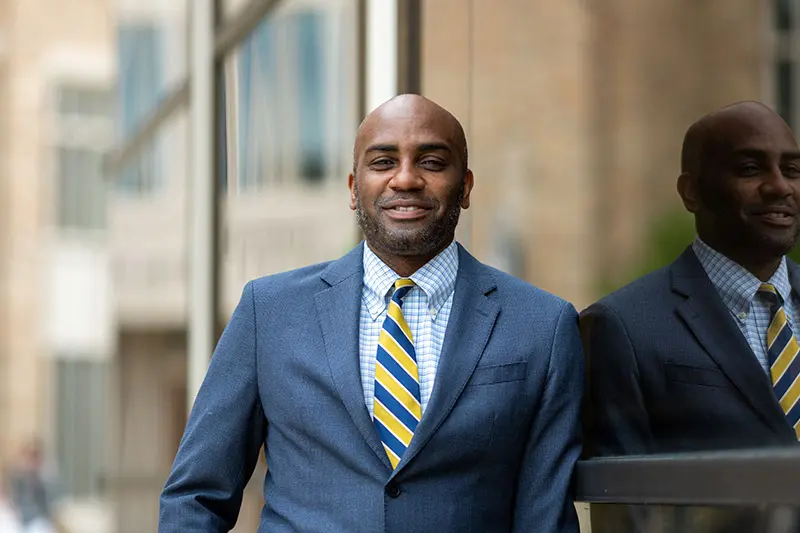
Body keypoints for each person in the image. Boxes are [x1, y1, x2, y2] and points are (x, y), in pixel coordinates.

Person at [159, 94, 584, 532]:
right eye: (383, 162)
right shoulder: (268, 313)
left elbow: (545, 519)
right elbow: (195, 497)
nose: (405, 179)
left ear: (467, 186)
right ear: (352, 187)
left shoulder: (543, 326)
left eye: (432, 163)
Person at [581, 101, 800, 532]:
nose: (780, 187)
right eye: (751, 168)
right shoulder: (620, 327)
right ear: (691, 191)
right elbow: (626, 516)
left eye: (792, 170)